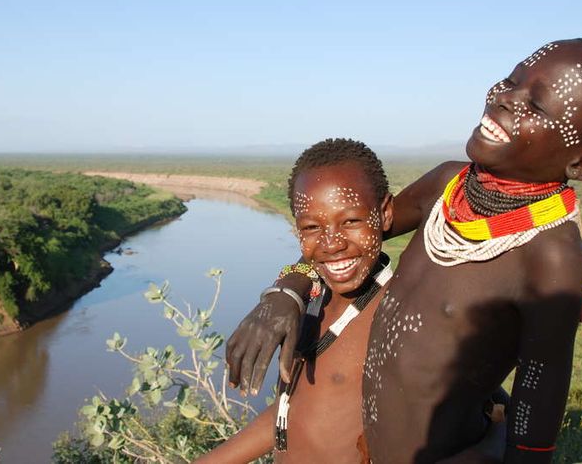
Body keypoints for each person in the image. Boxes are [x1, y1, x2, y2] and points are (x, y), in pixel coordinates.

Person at [225, 38, 582, 462]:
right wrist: (287, 291)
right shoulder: (447, 186)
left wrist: (501, 454)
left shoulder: (552, 256)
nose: (504, 98)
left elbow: (540, 391)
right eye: (511, 80)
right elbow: (344, 239)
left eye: (536, 106)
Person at [198, 138, 505, 463]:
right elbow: (296, 412)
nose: (332, 244)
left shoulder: (398, 316)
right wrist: (287, 290)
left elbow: (480, 395)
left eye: (351, 221)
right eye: (313, 227)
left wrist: (498, 436)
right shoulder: (312, 302)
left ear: (386, 213)